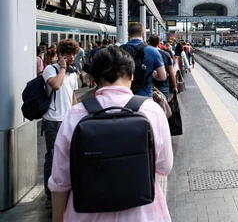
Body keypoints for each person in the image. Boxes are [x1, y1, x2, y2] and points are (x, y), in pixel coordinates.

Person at [49, 46, 173, 221]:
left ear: (95, 79)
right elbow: (164, 166)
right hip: (143, 215)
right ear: (132, 75)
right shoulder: (151, 111)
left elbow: (60, 181)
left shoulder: (75, 115)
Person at [42, 39, 80, 208]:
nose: (72, 57)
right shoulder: (50, 69)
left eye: (74, 54)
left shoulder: (73, 72)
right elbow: (56, 85)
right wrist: (62, 67)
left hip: (67, 119)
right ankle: (49, 195)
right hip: (52, 120)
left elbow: (72, 95)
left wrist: (77, 115)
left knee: (69, 155)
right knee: (52, 156)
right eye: (68, 54)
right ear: (61, 54)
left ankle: (66, 189)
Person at [123, 22, 166, 97]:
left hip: (123, 97)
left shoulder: (119, 50)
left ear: (128, 35)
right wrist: (154, 75)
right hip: (144, 96)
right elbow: (163, 77)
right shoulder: (153, 51)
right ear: (143, 34)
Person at [149, 35, 177, 101]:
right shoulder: (166, 54)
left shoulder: (145, 54)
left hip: (149, 86)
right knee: (164, 107)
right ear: (159, 42)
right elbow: (171, 72)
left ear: (149, 43)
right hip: (163, 86)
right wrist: (175, 86)